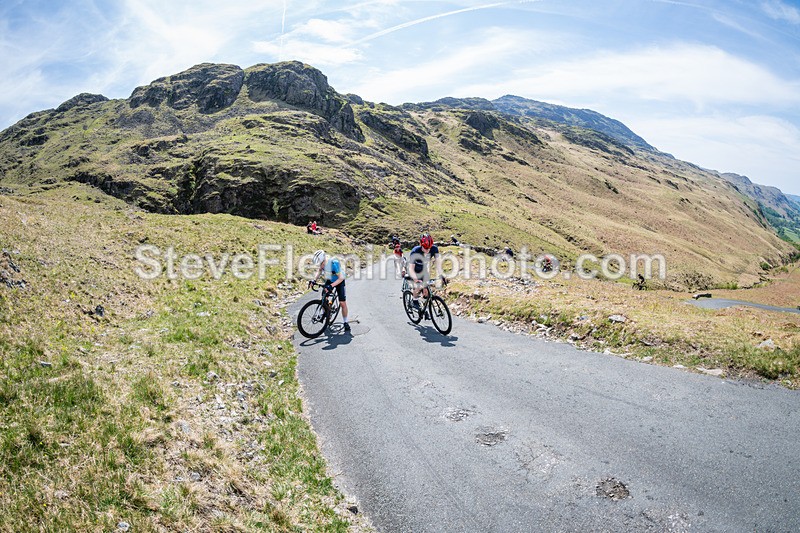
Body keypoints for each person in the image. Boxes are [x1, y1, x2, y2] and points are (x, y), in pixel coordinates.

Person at [311, 249, 350, 333]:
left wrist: (331, 286)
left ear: (324, 260)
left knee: (342, 303)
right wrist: (314, 280)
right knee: (324, 298)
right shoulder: (322, 263)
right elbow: (319, 270)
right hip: (330, 279)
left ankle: (345, 322)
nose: (321, 266)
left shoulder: (333, 263)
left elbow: (341, 278)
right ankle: (328, 312)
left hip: (339, 281)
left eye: (321, 264)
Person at [408, 233, 447, 312]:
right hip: (414, 270)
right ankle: (414, 300)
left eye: (429, 248)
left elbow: (438, 264)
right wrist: (416, 279)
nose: (427, 251)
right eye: (425, 248)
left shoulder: (434, 249)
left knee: (426, 291)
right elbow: (411, 269)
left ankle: (423, 307)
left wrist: (442, 275)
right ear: (421, 245)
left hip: (423, 270)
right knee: (418, 286)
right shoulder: (415, 251)